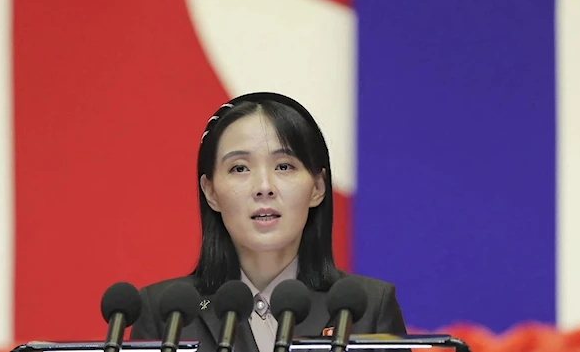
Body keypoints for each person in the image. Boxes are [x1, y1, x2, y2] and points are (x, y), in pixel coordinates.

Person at [129, 92, 407, 352]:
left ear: (318, 187)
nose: (264, 186)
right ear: (210, 192)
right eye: (239, 168)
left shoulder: (369, 307)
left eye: (284, 166)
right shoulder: (165, 312)